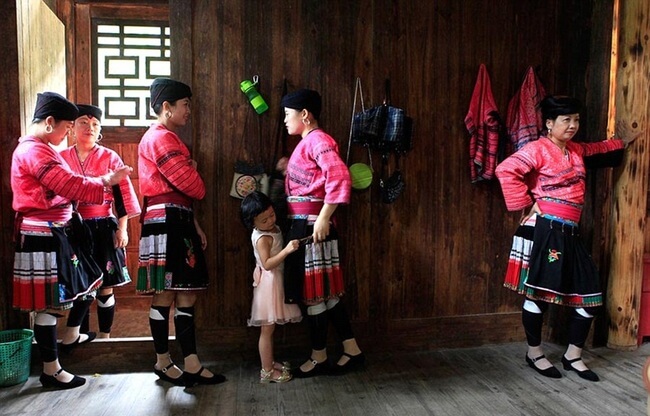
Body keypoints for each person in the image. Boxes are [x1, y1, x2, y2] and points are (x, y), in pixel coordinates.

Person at [495, 95, 640, 382]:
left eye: (576, 120)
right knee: (538, 295)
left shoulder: (574, 150)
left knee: (590, 298)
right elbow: (505, 170)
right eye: (566, 120)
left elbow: (597, 148)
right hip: (547, 231)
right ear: (549, 124)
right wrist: (527, 202)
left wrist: (622, 141)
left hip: (570, 234)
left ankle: (572, 356)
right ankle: (534, 353)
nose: (573, 125)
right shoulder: (537, 149)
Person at [11, 92, 132, 389]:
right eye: (70, 126)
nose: (71, 132)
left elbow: (120, 196)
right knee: (51, 305)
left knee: (87, 287)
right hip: (46, 232)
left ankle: (76, 343)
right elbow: (67, 184)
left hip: (71, 229)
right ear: (51, 123)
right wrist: (104, 181)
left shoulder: (43, 149)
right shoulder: (35, 151)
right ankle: (51, 369)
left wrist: (122, 225)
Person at [137, 77, 225, 387]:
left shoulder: (168, 137)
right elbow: (194, 187)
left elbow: (186, 190)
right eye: (185, 104)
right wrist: (193, 170)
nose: (189, 110)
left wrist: (194, 221)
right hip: (167, 218)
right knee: (167, 292)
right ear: (166, 107)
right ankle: (162, 361)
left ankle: (191, 362)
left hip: (178, 217)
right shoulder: (160, 138)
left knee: (186, 292)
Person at [278, 88, 364, 377]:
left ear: (305, 114)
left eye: (288, 115)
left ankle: (318, 357)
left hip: (312, 225)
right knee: (326, 294)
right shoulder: (308, 142)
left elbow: (339, 176)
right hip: (307, 223)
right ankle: (351, 349)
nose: (286, 121)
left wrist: (324, 217)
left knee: (315, 294)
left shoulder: (318, 139)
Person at [59, 104, 141, 346]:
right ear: (72, 128)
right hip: (74, 228)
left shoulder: (110, 157)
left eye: (95, 124)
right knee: (81, 285)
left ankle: (105, 335)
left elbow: (123, 195)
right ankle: (80, 335)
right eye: (83, 122)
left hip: (104, 225)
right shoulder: (62, 158)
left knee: (106, 285)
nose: (89, 128)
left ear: (100, 130)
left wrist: (122, 228)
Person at [240, 191, 303, 383]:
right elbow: (267, 263)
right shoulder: (263, 238)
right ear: (253, 223)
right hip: (269, 284)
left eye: (271, 215)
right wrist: (287, 250)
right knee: (267, 330)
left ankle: (270, 362)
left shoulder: (271, 228)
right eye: (264, 220)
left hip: (275, 280)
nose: (270, 220)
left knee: (271, 329)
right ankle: (266, 371)